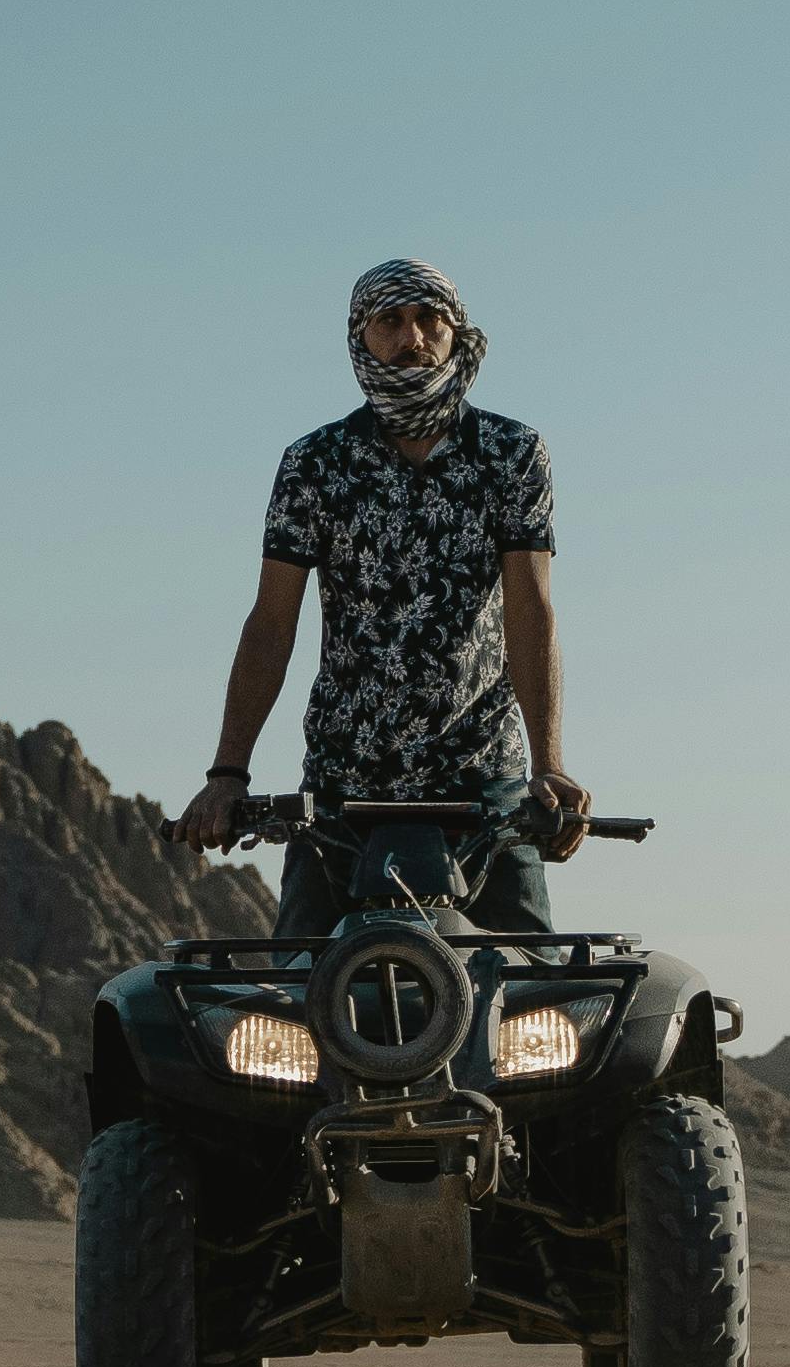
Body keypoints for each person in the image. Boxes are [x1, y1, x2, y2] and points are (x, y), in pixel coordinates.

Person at [174, 257, 582, 935]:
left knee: (529, 998)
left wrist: (551, 767)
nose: (412, 337)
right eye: (390, 321)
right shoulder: (316, 463)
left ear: (457, 334)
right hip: (343, 787)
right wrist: (228, 773)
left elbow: (530, 612)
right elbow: (272, 623)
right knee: (302, 999)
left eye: (430, 320)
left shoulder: (511, 453)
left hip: (484, 782)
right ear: (360, 337)